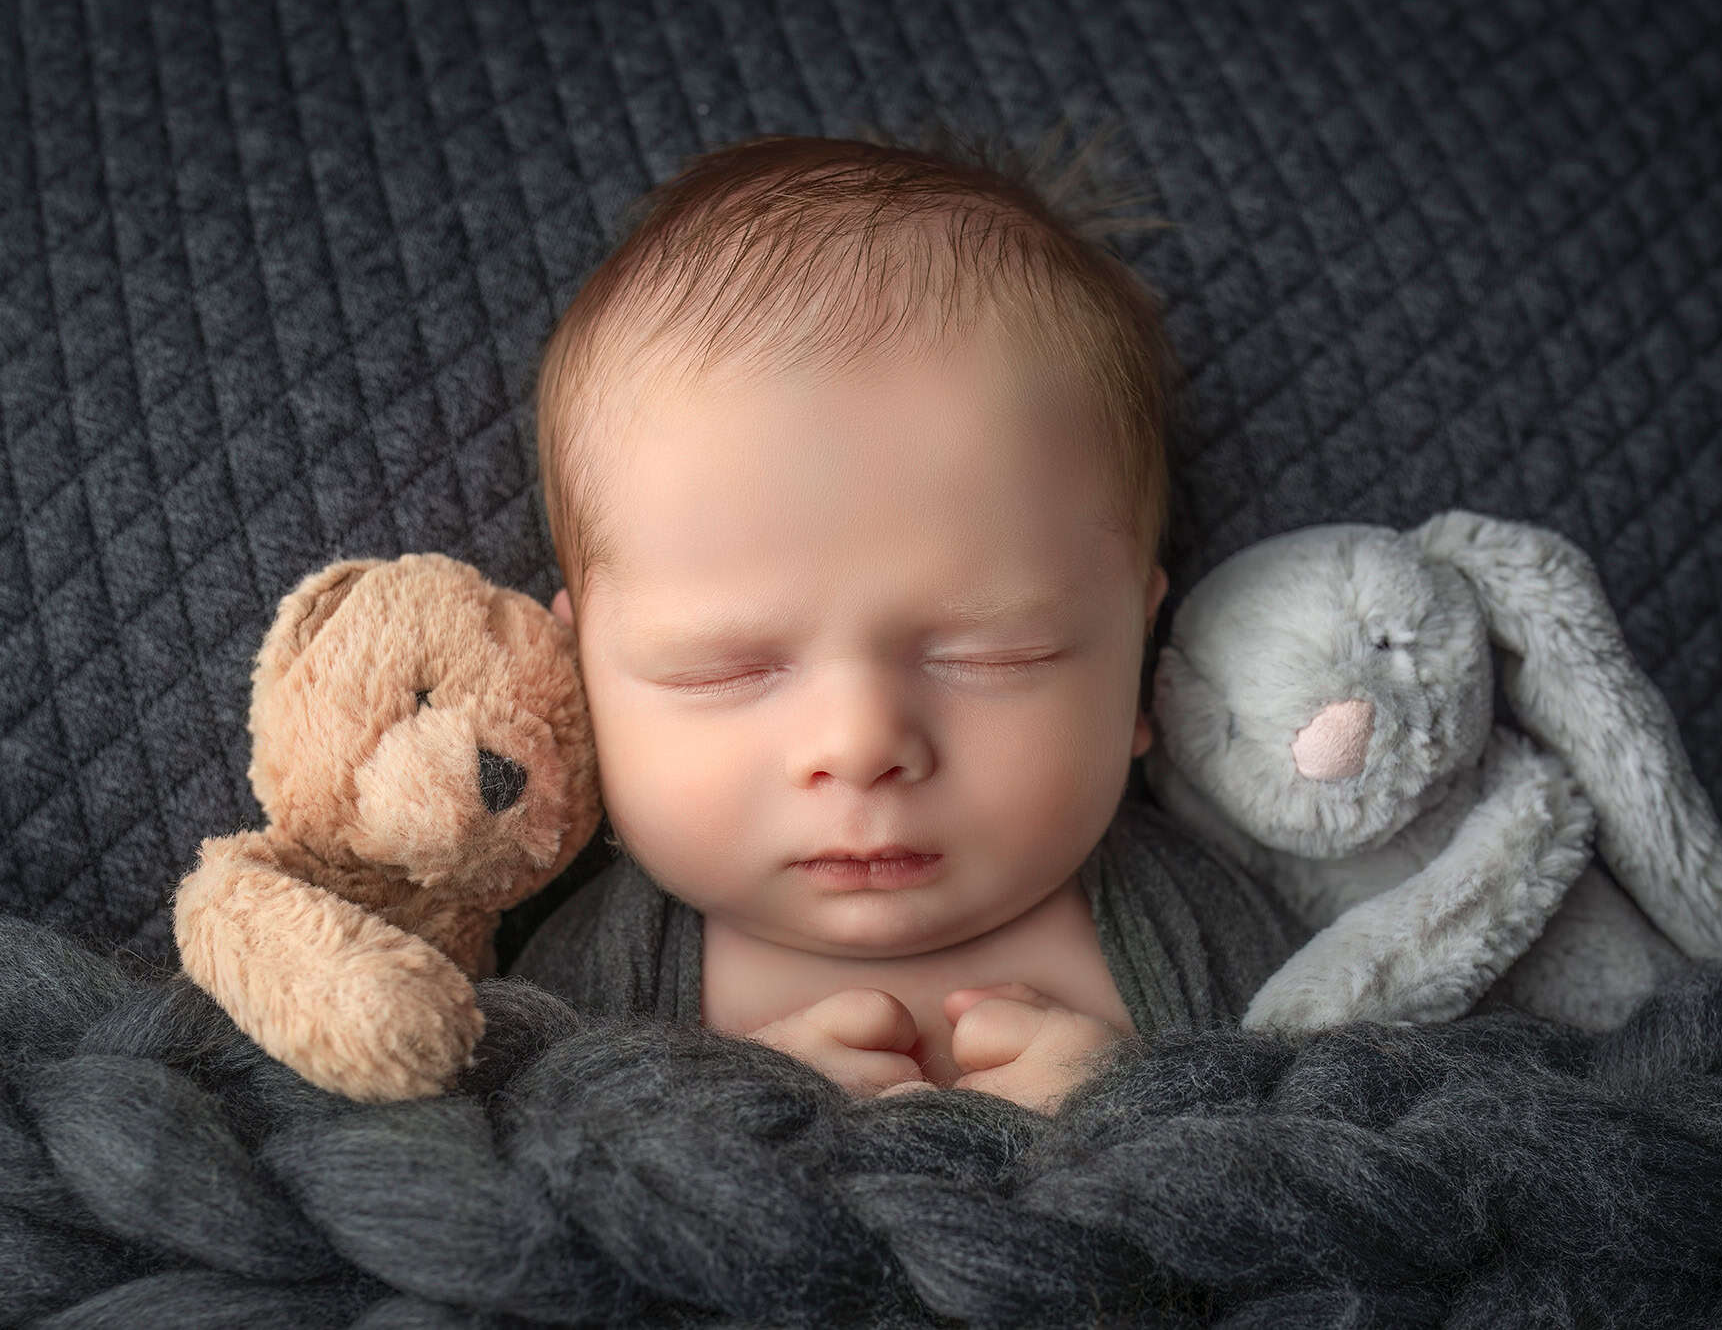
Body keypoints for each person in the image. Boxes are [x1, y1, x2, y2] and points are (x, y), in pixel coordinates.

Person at [511, 123, 1303, 1115]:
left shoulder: (1204, 926)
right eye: (720, 669)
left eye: (994, 652)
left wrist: (1140, 1115)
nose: (859, 743)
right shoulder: (588, 983)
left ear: (1142, 664)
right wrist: (728, 1126)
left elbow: (1340, 1151)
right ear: (577, 678)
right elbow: (522, 1197)